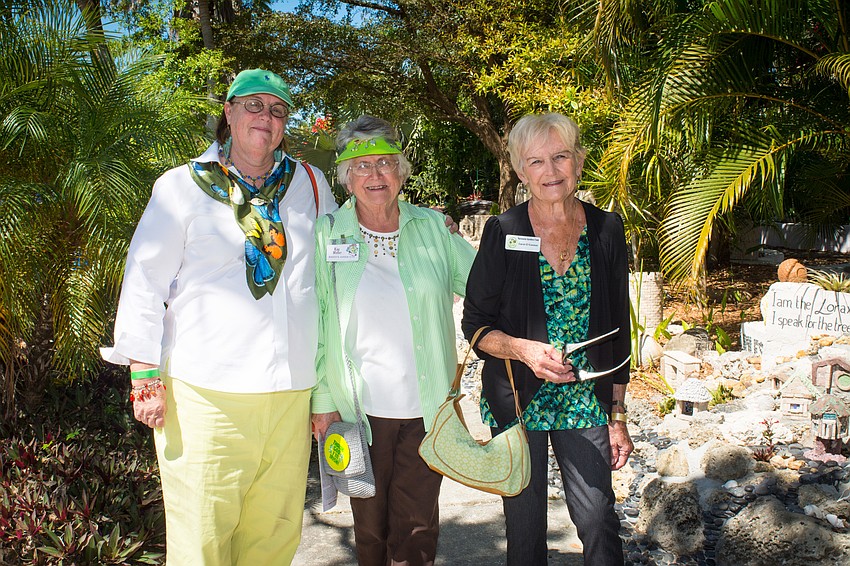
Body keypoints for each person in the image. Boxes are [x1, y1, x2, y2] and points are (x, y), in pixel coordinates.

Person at [100, 69, 338, 565]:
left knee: (273, 539)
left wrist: (326, 390)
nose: (265, 118)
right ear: (228, 113)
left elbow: (337, 271)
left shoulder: (310, 184)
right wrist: (143, 373)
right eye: (253, 105)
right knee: (203, 542)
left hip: (291, 391)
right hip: (206, 395)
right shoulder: (180, 187)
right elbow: (144, 279)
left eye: (277, 110)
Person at [461, 112, 632, 565]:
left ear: (578, 161)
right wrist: (522, 350)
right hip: (518, 398)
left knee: (598, 519)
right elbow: (475, 324)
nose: (551, 172)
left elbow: (620, 334)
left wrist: (617, 416)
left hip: (583, 400)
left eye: (560, 157)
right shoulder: (505, 230)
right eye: (536, 162)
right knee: (525, 530)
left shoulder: (608, 231)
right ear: (520, 171)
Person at [311, 115, 476, 566]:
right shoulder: (328, 233)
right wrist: (322, 401)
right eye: (362, 166)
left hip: (428, 410)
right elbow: (321, 320)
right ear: (347, 177)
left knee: (418, 530)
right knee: (369, 529)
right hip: (359, 412)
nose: (375, 175)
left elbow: (486, 285)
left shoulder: (432, 230)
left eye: (385, 163)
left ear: (401, 172)